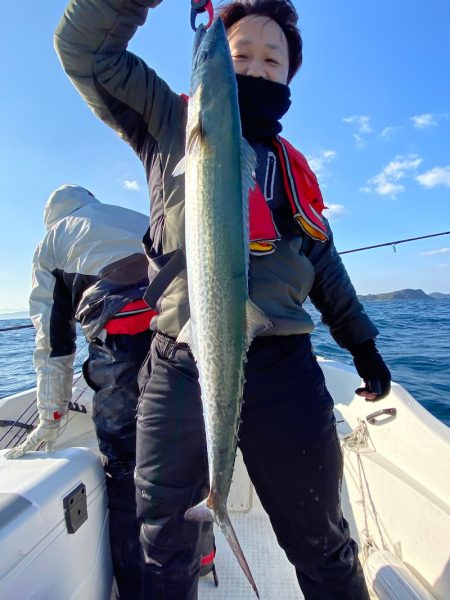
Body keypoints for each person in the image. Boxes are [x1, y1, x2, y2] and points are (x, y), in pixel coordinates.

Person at [54, 2, 392, 599]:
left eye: (272, 59)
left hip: (282, 364)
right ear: (213, 65)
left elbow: (322, 263)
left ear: (290, 76)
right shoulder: (169, 123)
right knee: (162, 545)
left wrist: (361, 344)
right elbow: (87, 52)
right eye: (240, 55)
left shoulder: (290, 169)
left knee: (322, 540)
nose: (256, 69)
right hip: (179, 360)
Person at [5, 184, 155, 599]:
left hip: (122, 347)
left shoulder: (51, 243)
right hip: (182, 337)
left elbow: (53, 343)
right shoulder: (133, 216)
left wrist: (51, 417)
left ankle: (140, 590)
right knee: (179, 456)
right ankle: (199, 560)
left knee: (126, 470)